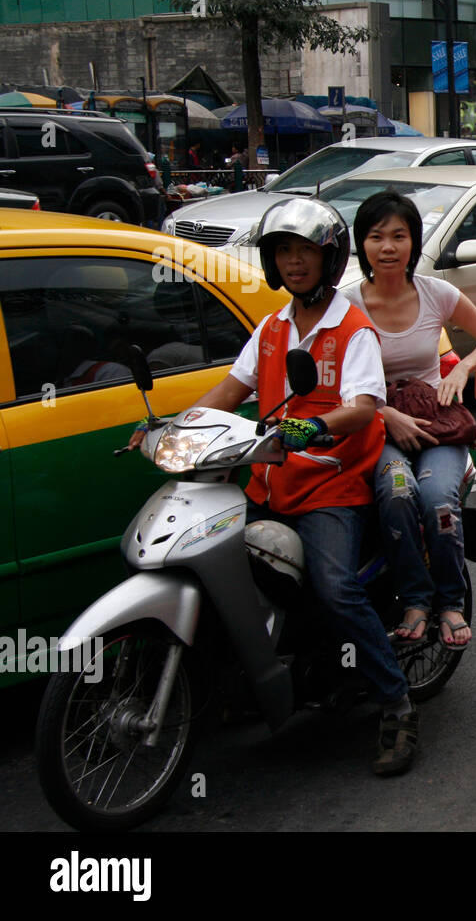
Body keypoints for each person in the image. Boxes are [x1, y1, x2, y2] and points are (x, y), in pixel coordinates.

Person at [128, 198, 420, 777]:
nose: (293, 261)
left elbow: (363, 407)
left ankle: (396, 703)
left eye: (304, 250)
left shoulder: (352, 328)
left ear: (328, 258)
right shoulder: (272, 327)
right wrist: (170, 425)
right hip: (268, 480)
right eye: (283, 250)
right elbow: (230, 392)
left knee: (336, 589)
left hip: (331, 488)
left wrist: (312, 425)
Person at [343, 190, 476, 652]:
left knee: (437, 501)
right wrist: (384, 413)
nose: (388, 247)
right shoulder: (347, 303)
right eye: (377, 237)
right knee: (396, 495)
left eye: (399, 236)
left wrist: (460, 367)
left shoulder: (437, 292)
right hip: (378, 426)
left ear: (414, 242)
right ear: (362, 244)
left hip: (436, 422)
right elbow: (335, 381)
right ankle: (415, 600)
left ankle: (450, 602)